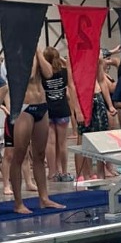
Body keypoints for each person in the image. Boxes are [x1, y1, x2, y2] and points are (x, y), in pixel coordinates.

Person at [10, 50, 66, 215]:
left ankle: (44, 198)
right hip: (24, 107)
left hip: (42, 105)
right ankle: (18, 203)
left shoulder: (37, 52)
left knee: (40, 155)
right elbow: (28, 75)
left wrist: (37, 52)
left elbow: (49, 74)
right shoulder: (16, 52)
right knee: (19, 154)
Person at [42, 47, 74, 182]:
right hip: (62, 109)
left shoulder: (43, 74)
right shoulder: (64, 72)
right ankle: (64, 172)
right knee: (62, 143)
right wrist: (59, 58)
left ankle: (52, 172)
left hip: (48, 110)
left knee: (50, 143)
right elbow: (69, 65)